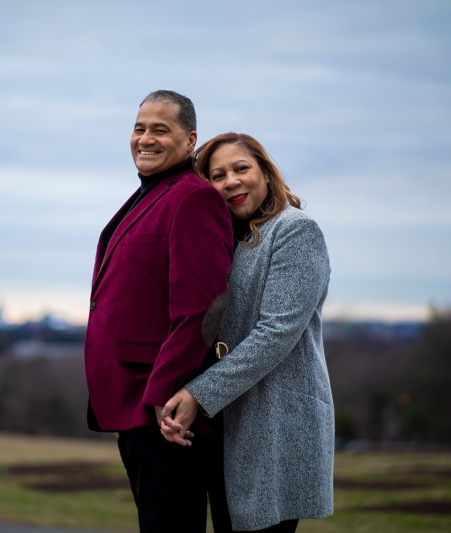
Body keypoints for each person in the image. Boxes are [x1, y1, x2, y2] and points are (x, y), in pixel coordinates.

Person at [160, 133, 334, 532]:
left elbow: (275, 332)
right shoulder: (226, 241)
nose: (231, 182)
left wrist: (197, 394)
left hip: (275, 420)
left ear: (266, 173)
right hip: (228, 421)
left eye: (241, 169)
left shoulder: (295, 231)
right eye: (217, 176)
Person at [83, 90, 234, 533]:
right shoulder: (147, 196)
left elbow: (203, 311)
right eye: (139, 128)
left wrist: (159, 397)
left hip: (164, 415)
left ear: (190, 141)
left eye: (159, 129)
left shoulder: (194, 199)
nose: (145, 138)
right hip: (135, 409)